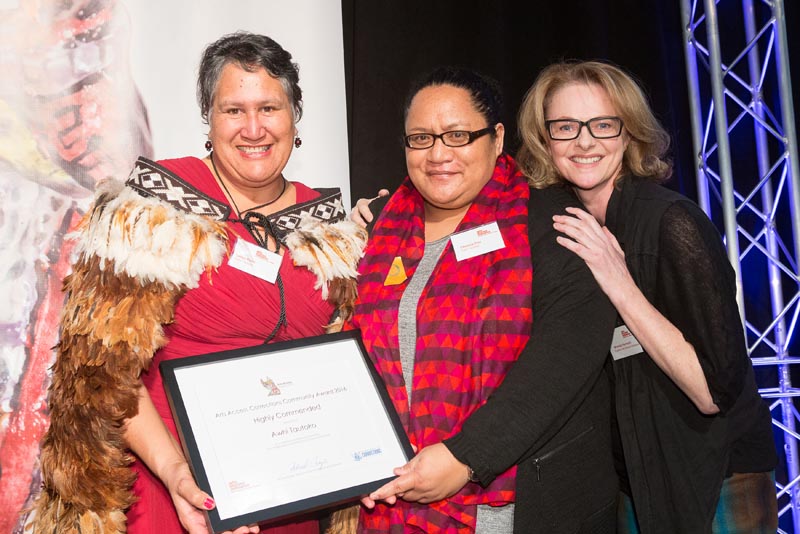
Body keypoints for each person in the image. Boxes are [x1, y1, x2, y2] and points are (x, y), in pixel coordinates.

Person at [29, 32, 366, 534]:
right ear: (209, 119)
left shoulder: (333, 227)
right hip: (171, 484)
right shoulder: (151, 208)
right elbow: (100, 370)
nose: (253, 128)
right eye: (233, 110)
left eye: (269, 107)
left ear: (296, 115)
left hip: (292, 489)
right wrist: (177, 473)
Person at [350, 66, 619, 533]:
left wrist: (466, 457)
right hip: (391, 500)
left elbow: (565, 360)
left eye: (458, 136)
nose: (438, 155)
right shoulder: (379, 231)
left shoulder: (550, 223)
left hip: (512, 508)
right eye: (421, 138)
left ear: (496, 139)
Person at [531, 60, 778, 533]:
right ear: (546, 140)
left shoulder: (673, 223)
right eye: (565, 127)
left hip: (717, 477)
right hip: (634, 478)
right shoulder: (564, 223)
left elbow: (711, 394)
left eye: (603, 125)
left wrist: (620, 283)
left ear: (629, 133)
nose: (584, 142)